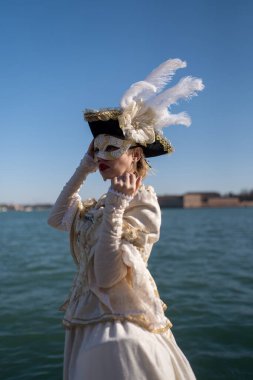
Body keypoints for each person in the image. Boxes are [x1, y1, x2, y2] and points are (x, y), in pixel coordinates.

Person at [48, 58, 204, 380]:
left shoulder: (142, 204)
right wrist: (83, 168)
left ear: (135, 154)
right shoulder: (97, 206)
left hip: (120, 337)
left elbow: (107, 277)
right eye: (97, 149)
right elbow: (57, 217)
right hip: (89, 325)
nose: (102, 156)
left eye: (111, 147)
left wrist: (118, 206)